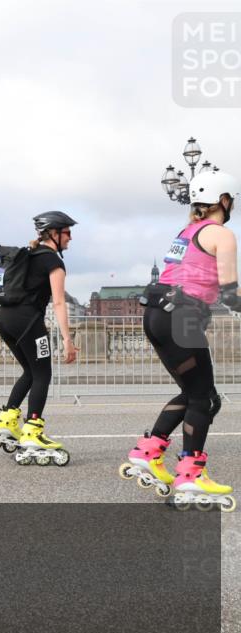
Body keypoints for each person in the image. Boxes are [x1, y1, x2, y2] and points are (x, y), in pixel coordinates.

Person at [123, 171, 240, 510]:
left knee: (196, 394)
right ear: (224, 200)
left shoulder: (187, 231)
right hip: (183, 317)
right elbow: (231, 296)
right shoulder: (222, 234)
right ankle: (190, 475)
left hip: (157, 314)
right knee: (203, 399)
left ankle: (148, 452)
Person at [0, 211, 79, 465]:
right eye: (67, 232)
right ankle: (33, 430)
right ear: (54, 233)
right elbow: (59, 302)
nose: (70, 238)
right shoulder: (52, 261)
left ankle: (7, 421)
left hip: (4, 319)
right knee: (43, 374)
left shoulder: (27, 255)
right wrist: (67, 340)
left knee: (30, 372)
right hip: (27, 322)